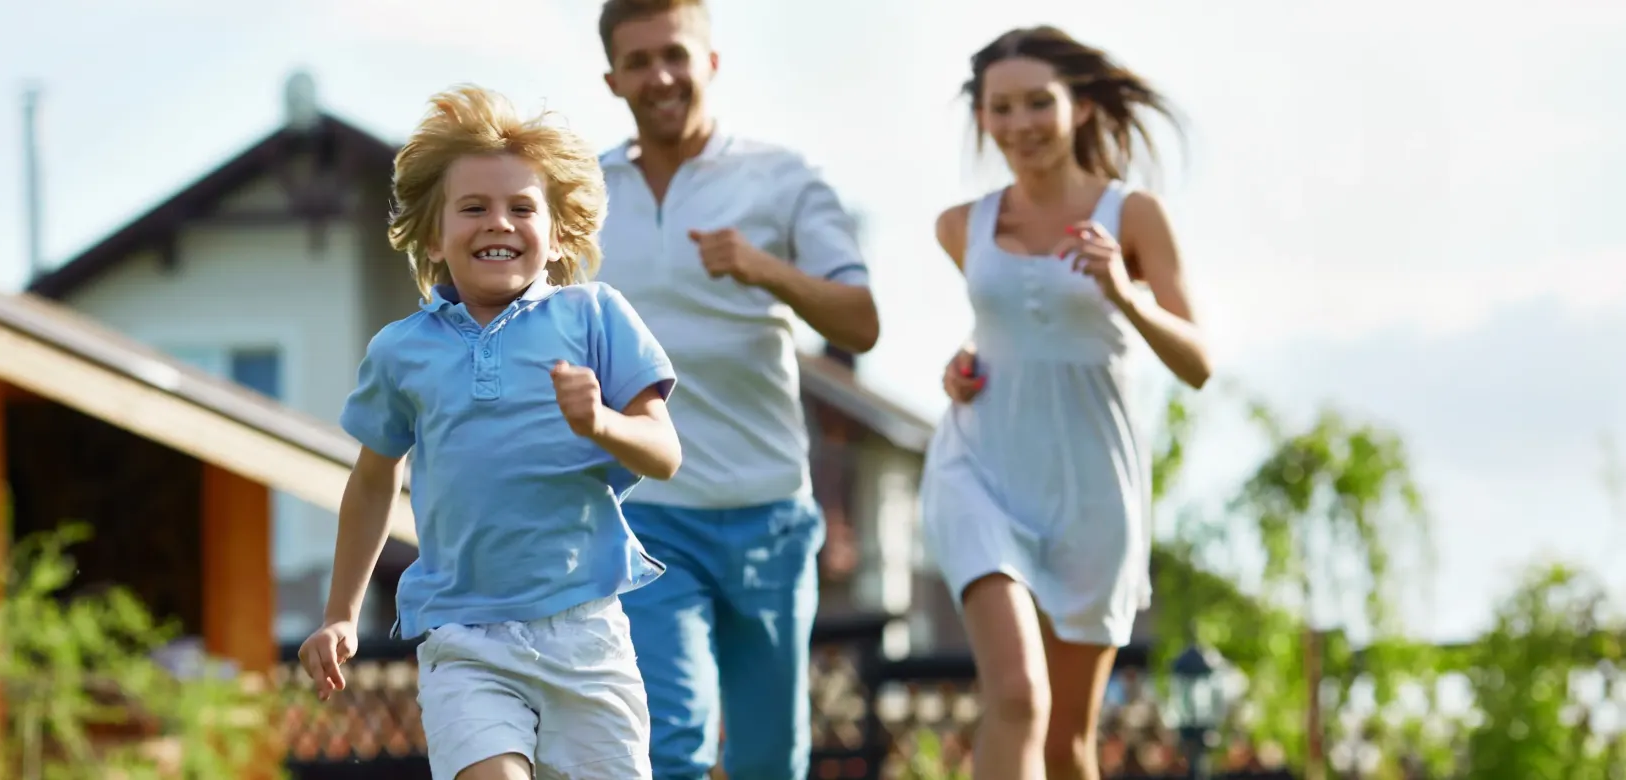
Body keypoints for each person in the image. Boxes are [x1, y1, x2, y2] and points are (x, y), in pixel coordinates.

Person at [296, 85, 682, 780]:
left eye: (521, 208)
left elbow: (665, 453)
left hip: (584, 630)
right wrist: (339, 613)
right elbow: (376, 476)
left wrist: (599, 422)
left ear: (558, 231)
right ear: (433, 234)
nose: (497, 223)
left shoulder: (595, 317)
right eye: (473, 208)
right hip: (465, 636)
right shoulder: (401, 350)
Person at [591, 2, 882, 778]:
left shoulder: (784, 180)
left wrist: (766, 270)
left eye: (676, 55)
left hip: (770, 516)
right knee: (670, 741)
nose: (661, 76)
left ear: (710, 62)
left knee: (768, 758)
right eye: (641, 60)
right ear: (613, 77)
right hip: (648, 512)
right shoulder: (581, 195)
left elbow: (860, 323)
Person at [920, 25, 1210, 780]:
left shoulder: (1132, 216)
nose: (1020, 126)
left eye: (1038, 104)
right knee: (1015, 693)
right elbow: (1003, 330)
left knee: (1066, 745)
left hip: (1092, 490)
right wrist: (964, 366)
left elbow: (1199, 363)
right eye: (1001, 108)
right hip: (979, 471)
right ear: (982, 117)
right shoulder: (963, 226)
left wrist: (1124, 293)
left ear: (1079, 107)